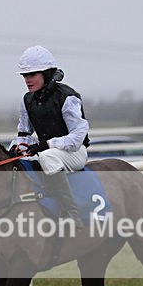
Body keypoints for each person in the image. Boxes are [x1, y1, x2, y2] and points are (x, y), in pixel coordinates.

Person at [8, 45, 89, 228]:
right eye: (25, 76)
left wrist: (47, 145)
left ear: (46, 74)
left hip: (74, 153)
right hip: (49, 151)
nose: (27, 80)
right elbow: (24, 132)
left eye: (32, 75)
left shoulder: (68, 97)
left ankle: (71, 214)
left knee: (47, 157)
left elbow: (77, 137)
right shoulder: (27, 99)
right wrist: (19, 146)